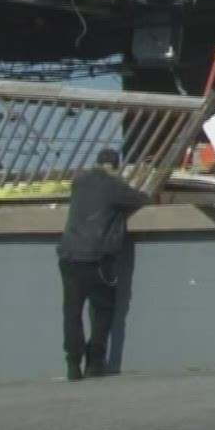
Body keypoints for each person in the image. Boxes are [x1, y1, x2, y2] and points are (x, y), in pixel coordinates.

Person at [56, 148, 150, 381]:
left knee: (72, 312)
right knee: (103, 310)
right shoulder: (112, 186)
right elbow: (141, 199)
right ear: (115, 166)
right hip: (98, 258)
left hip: (69, 255)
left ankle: (73, 364)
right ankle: (95, 362)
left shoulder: (79, 183)